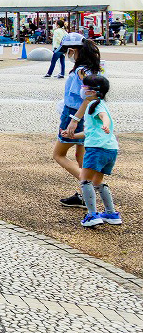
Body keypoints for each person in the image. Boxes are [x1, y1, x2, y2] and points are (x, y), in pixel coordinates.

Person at [59, 75, 120, 227]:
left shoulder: (95, 105)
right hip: (110, 149)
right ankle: (111, 213)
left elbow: (104, 117)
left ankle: (92, 215)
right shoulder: (100, 104)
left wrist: (105, 124)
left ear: (93, 91)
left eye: (84, 87)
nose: (82, 89)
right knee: (98, 181)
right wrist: (71, 135)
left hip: (96, 149)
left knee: (85, 180)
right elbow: (90, 132)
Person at [56, 36, 102, 207]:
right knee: (81, 156)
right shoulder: (92, 69)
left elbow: (88, 96)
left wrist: (74, 120)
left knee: (59, 154)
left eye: (68, 51)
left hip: (74, 114)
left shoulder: (80, 71)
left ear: (74, 51)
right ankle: (84, 195)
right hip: (86, 115)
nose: (67, 55)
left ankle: (89, 187)